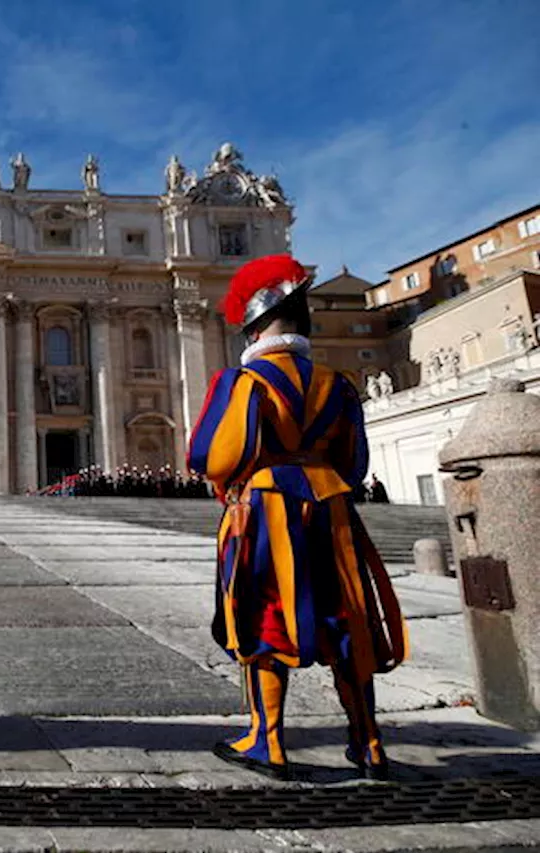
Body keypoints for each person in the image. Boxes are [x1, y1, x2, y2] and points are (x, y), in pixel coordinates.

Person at [188, 254, 406, 781]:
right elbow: (355, 464)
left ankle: (269, 742)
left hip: (264, 509)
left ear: (255, 326)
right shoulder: (338, 383)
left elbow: (210, 456)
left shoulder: (243, 381)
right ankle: (369, 742)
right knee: (347, 615)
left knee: (262, 612)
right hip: (332, 508)